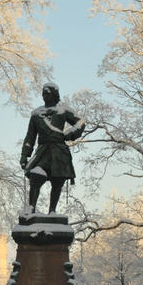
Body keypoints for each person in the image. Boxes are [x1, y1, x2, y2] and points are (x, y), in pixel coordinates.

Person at [20, 82, 84, 214]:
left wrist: (70, 133)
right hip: (43, 151)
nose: (44, 95)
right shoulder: (36, 114)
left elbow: (80, 123)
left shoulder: (63, 110)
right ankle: (31, 207)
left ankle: (52, 211)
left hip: (59, 151)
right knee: (35, 175)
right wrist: (24, 155)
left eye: (47, 92)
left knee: (57, 180)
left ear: (54, 94)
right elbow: (30, 137)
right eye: (43, 93)